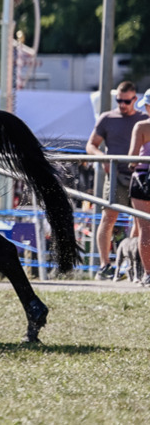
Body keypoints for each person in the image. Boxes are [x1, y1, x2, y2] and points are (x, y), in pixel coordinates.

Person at [86, 81, 148, 279]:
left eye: (126, 101)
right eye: (119, 100)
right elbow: (91, 145)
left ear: (134, 100)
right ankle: (105, 265)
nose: (122, 104)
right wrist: (103, 158)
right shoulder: (107, 118)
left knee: (140, 223)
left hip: (139, 175)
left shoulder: (144, 119)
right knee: (108, 217)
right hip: (115, 174)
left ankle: (134, 266)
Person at [125, 88, 150, 285]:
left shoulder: (141, 126)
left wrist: (132, 164)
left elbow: (132, 156)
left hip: (143, 178)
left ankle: (148, 273)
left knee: (144, 229)